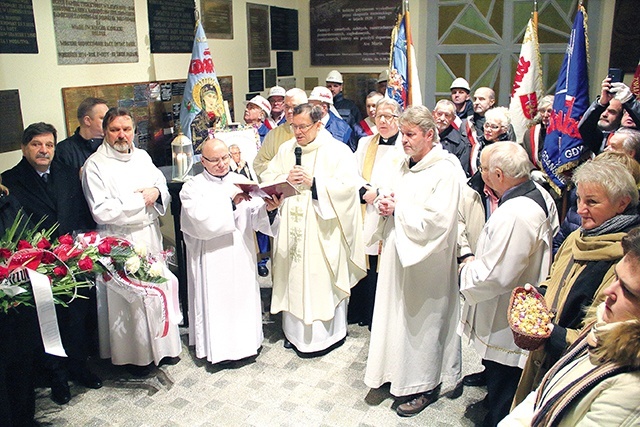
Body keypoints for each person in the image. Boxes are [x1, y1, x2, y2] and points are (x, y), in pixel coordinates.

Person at [513, 157, 640, 406]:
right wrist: (538, 298)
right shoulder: (577, 237)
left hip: (578, 366)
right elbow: (554, 279)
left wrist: (555, 335)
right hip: (543, 359)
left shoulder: (626, 261)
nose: (580, 210)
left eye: (592, 202)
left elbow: (607, 331)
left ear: (622, 204)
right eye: (579, 199)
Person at [364, 106, 462, 417]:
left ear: (429, 135)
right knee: (396, 316)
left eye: (410, 135)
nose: (403, 140)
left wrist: (398, 209)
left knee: (422, 322)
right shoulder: (405, 164)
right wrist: (384, 202)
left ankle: (425, 384)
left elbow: (438, 221)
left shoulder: (445, 170)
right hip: (398, 252)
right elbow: (393, 196)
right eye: (402, 134)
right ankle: (396, 372)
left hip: (426, 260)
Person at [458, 141, 558, 427]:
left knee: (505, 380)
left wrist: (464, 273)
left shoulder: (517, 212)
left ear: (499, 175)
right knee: (499, 376)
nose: (482, 174)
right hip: (511, 299)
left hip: (507, 312)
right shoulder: (538, 194)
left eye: (485, 169)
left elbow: (496, 274)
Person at [502, 227, 640, 426]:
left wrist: (556, 337)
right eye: (616, 278)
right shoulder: (602, 329)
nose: (609, 291)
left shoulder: (631, 391)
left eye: (627, 290)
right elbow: (546, 395)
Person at [2, 122, 99, 405]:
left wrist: (82, 247)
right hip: (36, 264)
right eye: (36, 145)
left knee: (78, 319)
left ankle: (79, 367)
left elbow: (81, 212)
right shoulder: (10, 180)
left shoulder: (68, 174)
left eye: (49, 145)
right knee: (47, 323)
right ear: (24, 147)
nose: (44, 150)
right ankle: (56, 378)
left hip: (71, 259)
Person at [82, 107, 182, 372]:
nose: (121, 135)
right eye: (115, 129)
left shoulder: (143, 156)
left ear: (134, 132)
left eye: (126, 129)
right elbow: (102, 210)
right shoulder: (95, 165)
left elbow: (161, 187)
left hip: (148, 235)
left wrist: (156, 192)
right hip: (117, 240)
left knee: (156, 291)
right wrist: (142, 200)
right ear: (105, 132)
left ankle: (164, 349)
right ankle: (134, 357)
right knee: (128, 299)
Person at [261, 103, 366, 354]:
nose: (297, 132)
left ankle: (326, 337)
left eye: (303, 127)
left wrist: (315, 184)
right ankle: (294, 333)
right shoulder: (287, 149)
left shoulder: (337, 151)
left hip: (322, 230)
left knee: (320, 281)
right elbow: (268, 177)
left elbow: (349, 189)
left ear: (318, 125)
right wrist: (276, 192)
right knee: (292, 277)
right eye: (294, 126)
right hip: (292, 228)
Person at [180, 138, 281, 364]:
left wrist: (270, 210)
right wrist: (231, 203)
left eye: (225, 158)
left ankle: (247, 345)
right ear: (202, 161)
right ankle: (220, 352)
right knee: (218, 302)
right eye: (214, 160)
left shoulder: (241, 181)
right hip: (212, 256)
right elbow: (199, 220)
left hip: (241, 252)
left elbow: (257, 217)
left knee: (242, 297)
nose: (221, 164)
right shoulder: (192, 187)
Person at [350, 98, 402, 329]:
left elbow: (405, 179)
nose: (381, 120)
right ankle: (364, 310)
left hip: (388, 211)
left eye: (388, 116)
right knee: (366, 262)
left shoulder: (405, 147)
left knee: (384, 264)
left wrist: (379, 193)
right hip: (365, 209)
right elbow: (352, 172)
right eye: (378, 115)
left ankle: (381, 318)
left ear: (398, 119)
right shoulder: (365, 144)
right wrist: (365, 191)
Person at [229, 143, 270, 277]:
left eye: (238, 153)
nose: (237, 156)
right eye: (234, 154)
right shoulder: (228, 168)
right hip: (237, 202)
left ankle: (262, 261)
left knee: (263, 221)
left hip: (252, 198)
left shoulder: (245, 164)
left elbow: (252, 180)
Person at [253, 88, 308, 180]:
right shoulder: (274, 135)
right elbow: (258, 164)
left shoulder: (316, 132)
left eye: (294, 107)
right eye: (287, 107)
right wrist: (282, 174)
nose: (290, 111)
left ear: (306, 108)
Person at [577, 75, 640, 154]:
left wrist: (630, 102)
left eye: (632, 112)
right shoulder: (604, 140)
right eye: (627, 111)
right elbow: (585, 128)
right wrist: (600, 104)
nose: (629, 116)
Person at [54, 97, 109, 169]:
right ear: (87, 121)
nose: (108, 122)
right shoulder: (64, 150)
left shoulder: (112, 146)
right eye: (103, 118)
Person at [308, 86, 355, 151]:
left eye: (312, 106)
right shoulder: (305, 125)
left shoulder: (343, 129)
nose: (309, 109)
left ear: (324, 108)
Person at [434, 99, 472, 176]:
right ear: (433, 114)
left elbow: (461, 175)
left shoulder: (462, 144)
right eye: (439, 114)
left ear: (453, 118)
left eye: (447, 115)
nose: (442, 118)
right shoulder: (423, 136)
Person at [470, 106, 512, 175]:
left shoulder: (508, 149)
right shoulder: (477, 145)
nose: (488, 130)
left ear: (504, 130)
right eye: (487, 125)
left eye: (494, 127)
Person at [190, 82, 226, 154]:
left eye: (214, 97)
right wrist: (214, 132)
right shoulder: (197, 122)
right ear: (202, 98)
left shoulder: (220, 118)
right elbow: (197, 149)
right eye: (209, 96)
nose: (212, 100)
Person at [523, 94, 554, 171]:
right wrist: (532, 171)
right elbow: (525, 158)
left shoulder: (564, 133)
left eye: (549, 111)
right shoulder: (530, 134)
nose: (545, 115)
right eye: (542, 111)